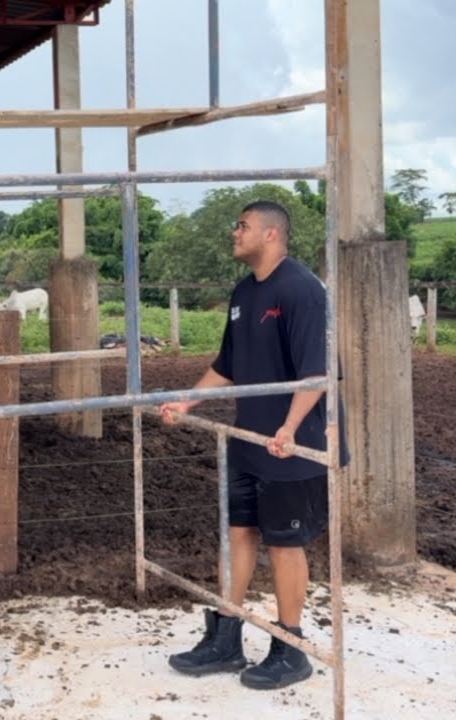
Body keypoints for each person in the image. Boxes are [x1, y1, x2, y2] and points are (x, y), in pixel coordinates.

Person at [158, 200, 349, 691]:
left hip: (294, 442)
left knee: (285, 544)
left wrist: (288, 428)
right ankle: (226, 636)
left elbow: (318, 372)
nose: (233, 232)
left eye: (242, 225)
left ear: (271, 235)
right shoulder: (245, 292)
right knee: (239, 533)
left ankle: (292, 648)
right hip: (250, 438)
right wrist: (187, 403)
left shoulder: (302, 290)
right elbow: (228, 363)